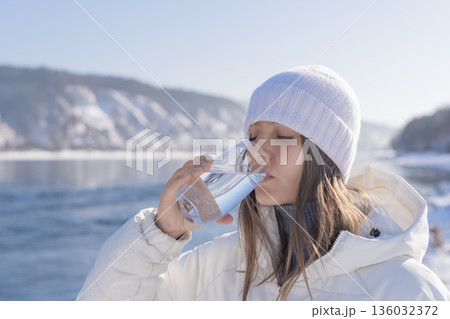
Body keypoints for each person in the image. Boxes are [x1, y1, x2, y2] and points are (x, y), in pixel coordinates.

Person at [77, 65, 450, 301]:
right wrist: (162, 233)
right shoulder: (219, 267)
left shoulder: (404, 290)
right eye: (254, 137)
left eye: (284, 138)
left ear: (325, 159)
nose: (258, 152)